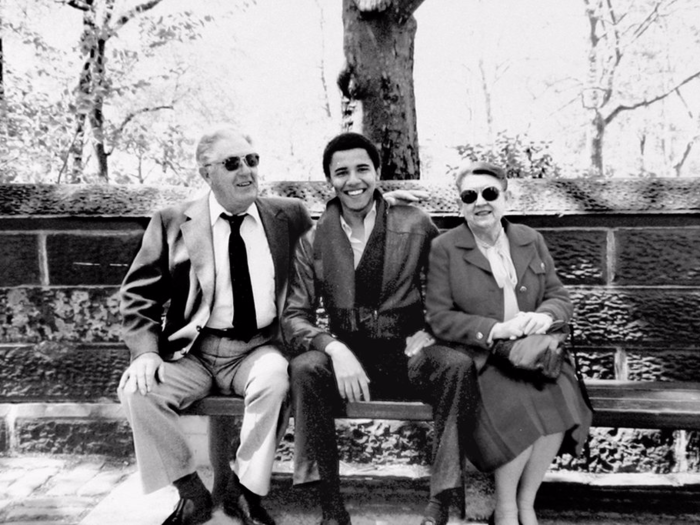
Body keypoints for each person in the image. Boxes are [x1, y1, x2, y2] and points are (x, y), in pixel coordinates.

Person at [117, 125, 313, 525]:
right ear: (206, 173)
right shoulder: (173, 221)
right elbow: (138, 293)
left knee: (276, 379)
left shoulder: (286, 215)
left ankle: (245, 492)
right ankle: (190, 492)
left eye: (252, 161)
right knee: (138, 389)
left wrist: (382, 207)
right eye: (232, 163)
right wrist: (145, 352)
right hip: (195, 353)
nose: (247, 172)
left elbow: (332, 242)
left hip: (258, 349)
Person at [419, 161, 592, 525]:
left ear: (506, 198)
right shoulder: (444, 248)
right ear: (461, 204)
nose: (480, 202)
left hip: (533, 355)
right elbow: (438, 316)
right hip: (483, 358)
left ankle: (526, 502)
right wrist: (493, 330)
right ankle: (507, 508)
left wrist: (545, 316)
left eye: (490, 193)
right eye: (470, 196)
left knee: (560, 395)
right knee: (519, 406)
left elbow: (559, 295)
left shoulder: (531, 239)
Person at [281, 132, 439, 525]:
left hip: (403, 356)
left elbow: (445, 285)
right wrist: (332, 347)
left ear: (378, 172)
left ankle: (442, 503)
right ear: (330, 181)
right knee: (305, 368)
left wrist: (432, 329)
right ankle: (331, 506)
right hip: (347, 360)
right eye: (342, 172)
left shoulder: (414, 221)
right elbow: (294, 316)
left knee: (456, 367)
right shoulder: (313, 239)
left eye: (362, 169)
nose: (354, 180)